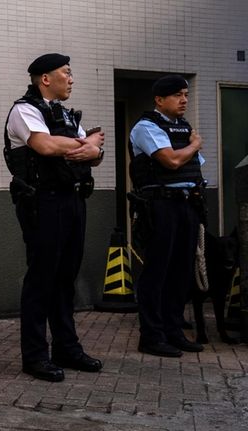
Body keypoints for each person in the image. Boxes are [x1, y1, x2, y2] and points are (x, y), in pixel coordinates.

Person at [3, 54, 105, 382]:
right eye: (67, 73)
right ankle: (35, 356)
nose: (72, 79)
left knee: (65, 278)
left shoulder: (64, 113)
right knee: (41, 279)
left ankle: (67, 348)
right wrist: (85, 144)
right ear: (45, 78)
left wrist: (94, 150)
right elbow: (44, 145)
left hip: (72, 200)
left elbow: (95, 153)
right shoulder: (25, 110)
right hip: (41, 203)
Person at [129, 75, 205, 357]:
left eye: (185, 94)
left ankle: (173, 331)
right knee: (157, 271)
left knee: (181, 271)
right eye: (177, 95)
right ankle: (151, 336)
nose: (184, 99)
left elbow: (192, 166)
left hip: (186, 204)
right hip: (159, 206)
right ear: (159, 100)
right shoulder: (147, 127)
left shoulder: (183, 128)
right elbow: (171, 160)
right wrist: (194, 146)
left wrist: (190, 149)